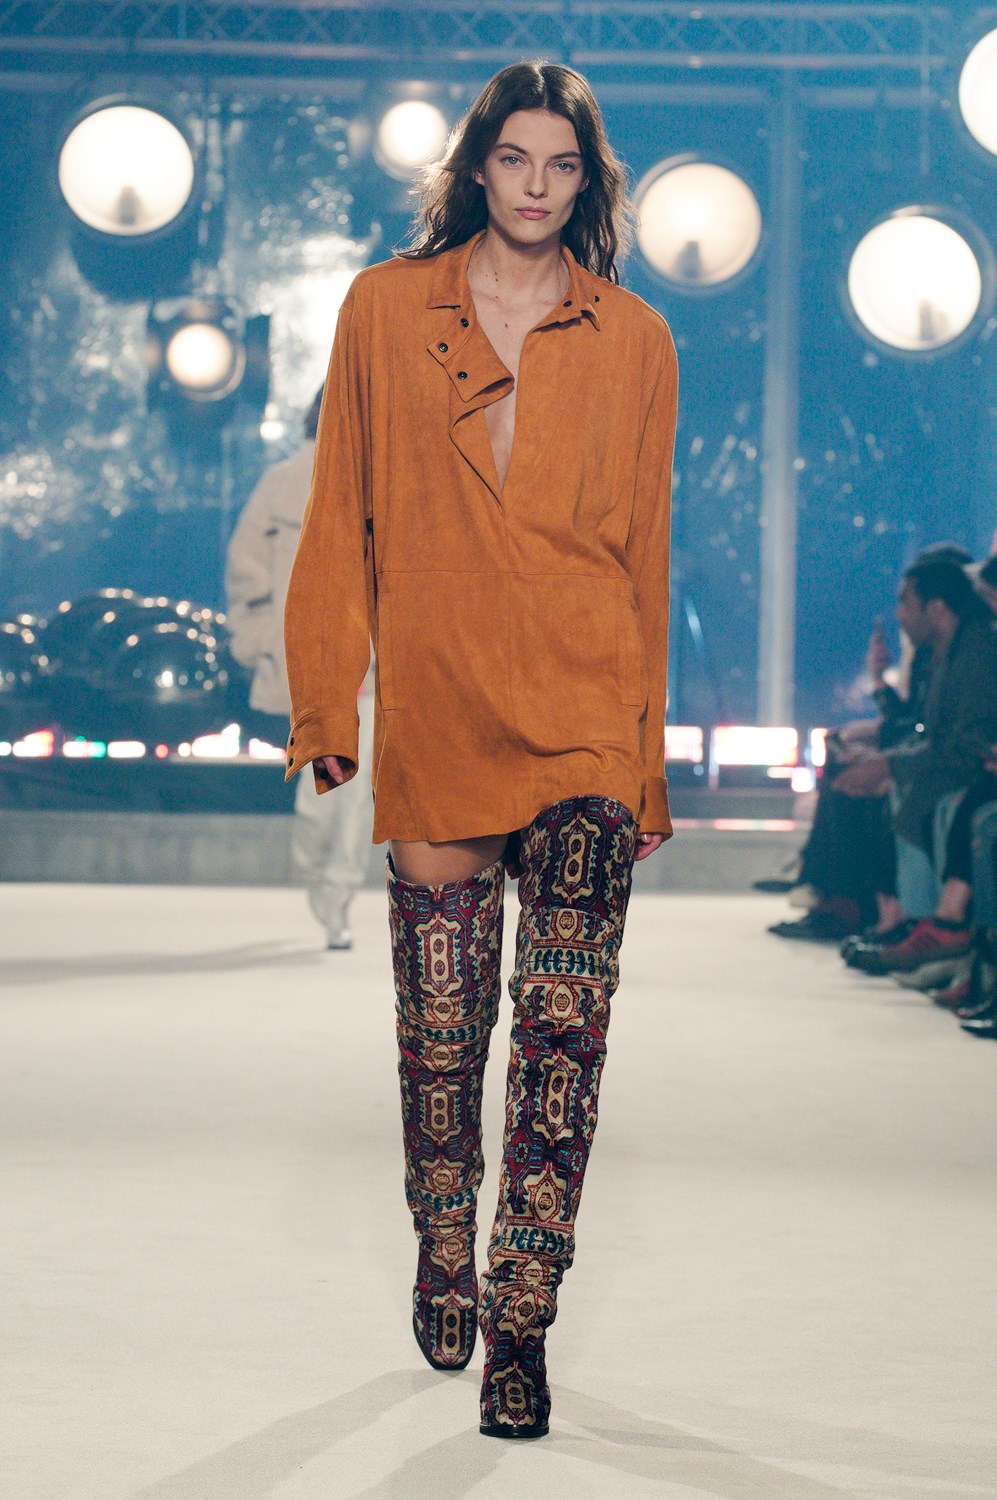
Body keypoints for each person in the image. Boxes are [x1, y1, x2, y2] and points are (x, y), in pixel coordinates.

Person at [282, 61, 677, 1439]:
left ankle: (522, 1318)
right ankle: (444, 1239)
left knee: (564, 1039)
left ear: (587, 181)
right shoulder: (385, 310)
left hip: (583, 705)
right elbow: (341, 508)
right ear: (476, 167)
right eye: (514, 158)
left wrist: (644, 759)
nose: (535, 186)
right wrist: (326, 699)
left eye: (561, 165)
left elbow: (645, 550)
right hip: (444, 697)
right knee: (442, 1040)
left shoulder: (635, 338)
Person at [225, 387, 375, 949]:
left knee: (349, 797)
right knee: (321, 799)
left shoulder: (387, 478)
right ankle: (321, 884)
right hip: (307, 661)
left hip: (367, 668)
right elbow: (245, 570)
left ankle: (336, 899)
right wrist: (259, 641)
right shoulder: (283, 483)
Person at [839, 557, 997, 975]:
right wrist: (887, 757)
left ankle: (934, 928)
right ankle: (913, 923)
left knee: (944, 801)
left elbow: (961, 744)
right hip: (961, 763)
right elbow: (927, 731)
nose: (899, 615)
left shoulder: (977, 648)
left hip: (968, 768)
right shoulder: (947, 651)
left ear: (937, 607)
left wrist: (890, 764)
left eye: (905, 602)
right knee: (897, 786)